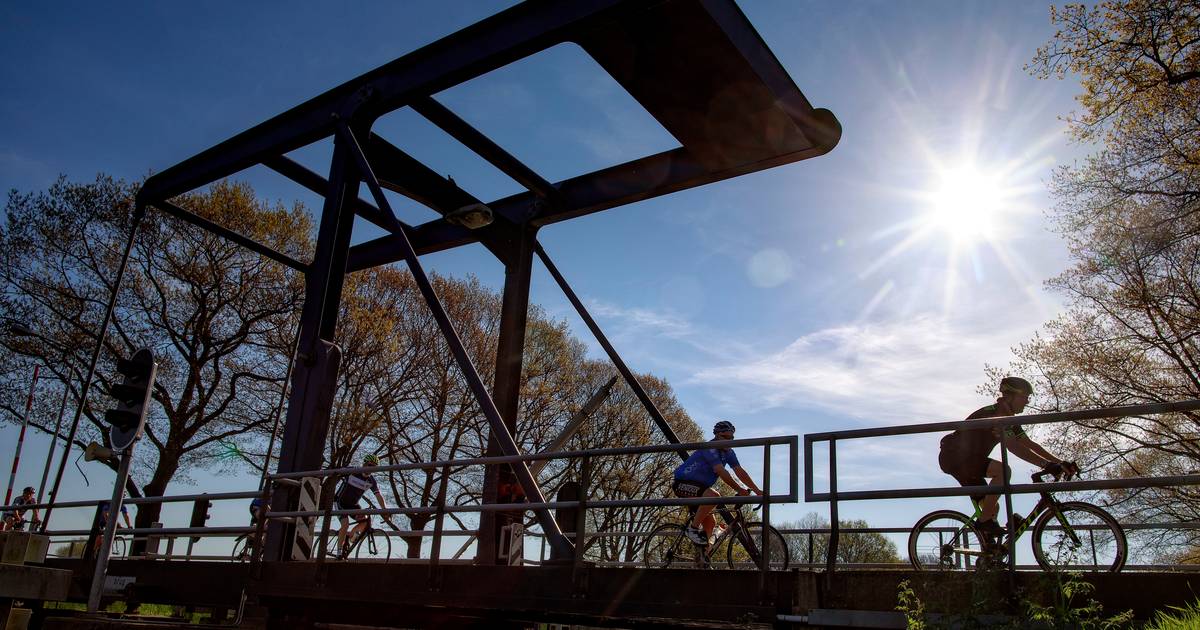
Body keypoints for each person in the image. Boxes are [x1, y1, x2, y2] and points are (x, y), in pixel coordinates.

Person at [939, 376, 1076, 538]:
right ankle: (983, 523)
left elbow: (1029, 444)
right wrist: (1046, 465)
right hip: (955, 458)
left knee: (992, 507)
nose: (1027, 402)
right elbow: (1013, 447)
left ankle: (988, 552)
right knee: (1003, 471)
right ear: (1010, 396)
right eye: (1024, 397)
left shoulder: (1009, 418)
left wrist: (1059, 463)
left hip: (969, 460)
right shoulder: (996, 415)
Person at [671, 420, 763, 546]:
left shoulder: (728, 452)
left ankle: (703, 560)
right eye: (725, 437)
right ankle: (692, 529)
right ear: (716, 435)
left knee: (710, 523)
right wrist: (739, 490)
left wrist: (757, 490)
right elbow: (721, 471)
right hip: (682, 483)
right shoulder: (710, 448)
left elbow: (739, 471)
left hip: (700, 487)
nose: (729, 441)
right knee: (714, 496)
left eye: (731, 438)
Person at [334, 454, 393, 557]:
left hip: (353, 505)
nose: (371, 468)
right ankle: (339, 551)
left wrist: (385, 509)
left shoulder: (371, 481)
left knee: (365, 521)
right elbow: (336, 472)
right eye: (370, 465)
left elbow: (378, 495)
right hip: (340, 502)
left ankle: (349, 539)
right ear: (364, 464)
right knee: (345, 524)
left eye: (374, 467)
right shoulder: (352, 471)